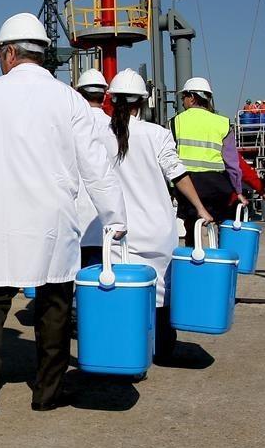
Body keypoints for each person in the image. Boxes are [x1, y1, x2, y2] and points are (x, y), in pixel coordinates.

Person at [0, 13, 126, 429]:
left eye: (0, 54)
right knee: (54, 304)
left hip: (0, 220)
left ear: (10, 52)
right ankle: (47, 392)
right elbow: (95, 166)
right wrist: (115, 216)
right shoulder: (69, 99)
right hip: (54, 222)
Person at [105, 70, 215, 362]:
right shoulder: (158, 134)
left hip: (118, 231)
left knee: (125, 291)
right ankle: (162, 348)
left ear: (112, 100)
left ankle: (128, 350)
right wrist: (201, 208)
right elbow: (177, 174)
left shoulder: (100, 135)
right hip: (157, 228)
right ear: (143, 101)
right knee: (161, 293)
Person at [171, 77, 245, 245]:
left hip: (187, 184)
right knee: (215, 226)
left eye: (183, 97)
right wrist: (238, 190)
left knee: (191, 227)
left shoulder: (176, 122)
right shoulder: (222, 123)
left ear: (192, 98)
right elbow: (232, 164)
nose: (182, 101)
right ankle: (213, 260)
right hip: (216, 185)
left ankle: (195, 262)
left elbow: (170, 158)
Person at [74, 69, 115, 267]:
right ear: (105, 95)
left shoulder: (69, 126)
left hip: (73, 218)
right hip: (105, 218)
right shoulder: (116, 128)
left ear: (78, 94)